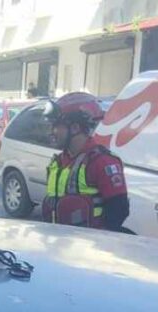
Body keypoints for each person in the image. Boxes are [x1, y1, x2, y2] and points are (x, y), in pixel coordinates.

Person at [42, 91, 130, 232]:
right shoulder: (57, 163)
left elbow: (119, 211)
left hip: (88, 243)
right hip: (57, 240)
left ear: (75, 128)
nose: (52, 132)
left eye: (56, 126)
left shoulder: (102, 162)